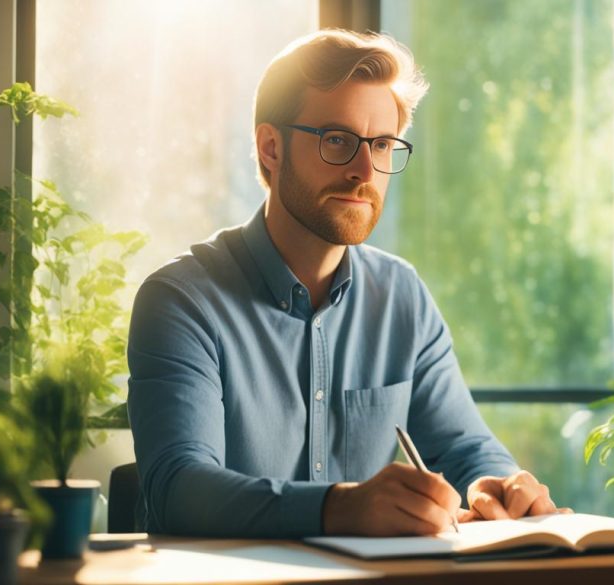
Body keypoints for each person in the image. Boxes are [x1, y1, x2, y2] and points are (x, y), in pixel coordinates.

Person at [127, 29, 566, 538]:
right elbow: (178, 488)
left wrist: (503, 487)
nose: (364, 170)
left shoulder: (401, 297)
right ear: (270, 148)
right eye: (337, 140)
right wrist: (338, 508)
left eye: (381, 145)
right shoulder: (181, 302)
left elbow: (465, 448)